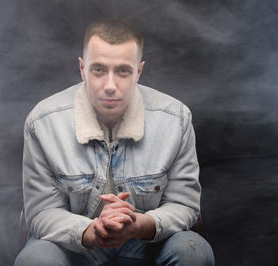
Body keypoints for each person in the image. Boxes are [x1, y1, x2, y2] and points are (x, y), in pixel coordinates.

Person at [14, 18, 214, 266]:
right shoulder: (42, 122)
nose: (110, 86)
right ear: (82, 68)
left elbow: (184, 204)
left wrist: (140, 225)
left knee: (192, 250)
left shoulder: (176, 119)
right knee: (37, 259)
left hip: (145, 247)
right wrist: (90, 230)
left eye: (122, 71)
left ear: (138, 72)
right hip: (76, 249)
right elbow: (42, 212)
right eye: (98, 70)